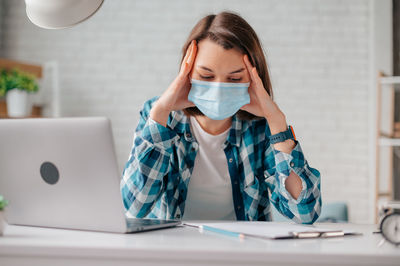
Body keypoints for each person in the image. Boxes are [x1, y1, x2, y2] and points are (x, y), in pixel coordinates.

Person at [120, 11, 321, 224]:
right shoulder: (158, 115)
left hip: (242, 251)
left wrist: (277, 121)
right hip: (173, 251)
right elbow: (134, 207)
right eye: (206, 76)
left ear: (254, 78)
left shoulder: (259, 127)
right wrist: (160, 113)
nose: (218, 89)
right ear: (187, 72)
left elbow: (305, 213)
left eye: (234, 79)